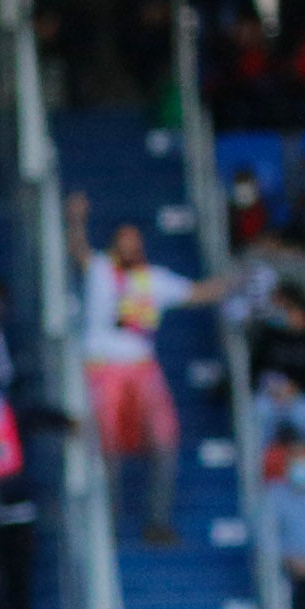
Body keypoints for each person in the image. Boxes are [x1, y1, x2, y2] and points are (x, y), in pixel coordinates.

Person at [67, 193, 232, 545]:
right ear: (114, 244)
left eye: (134, 242)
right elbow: (78, 251)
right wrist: (76, 220)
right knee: (106, 449)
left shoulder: (153, 279)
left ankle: (157, 521)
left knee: (164, 442)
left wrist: (238, 280)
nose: (129, 247)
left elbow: (199, 293)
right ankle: (106, 527)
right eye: (123, 242)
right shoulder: (99, 270)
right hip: (101, 370)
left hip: (141, 370)